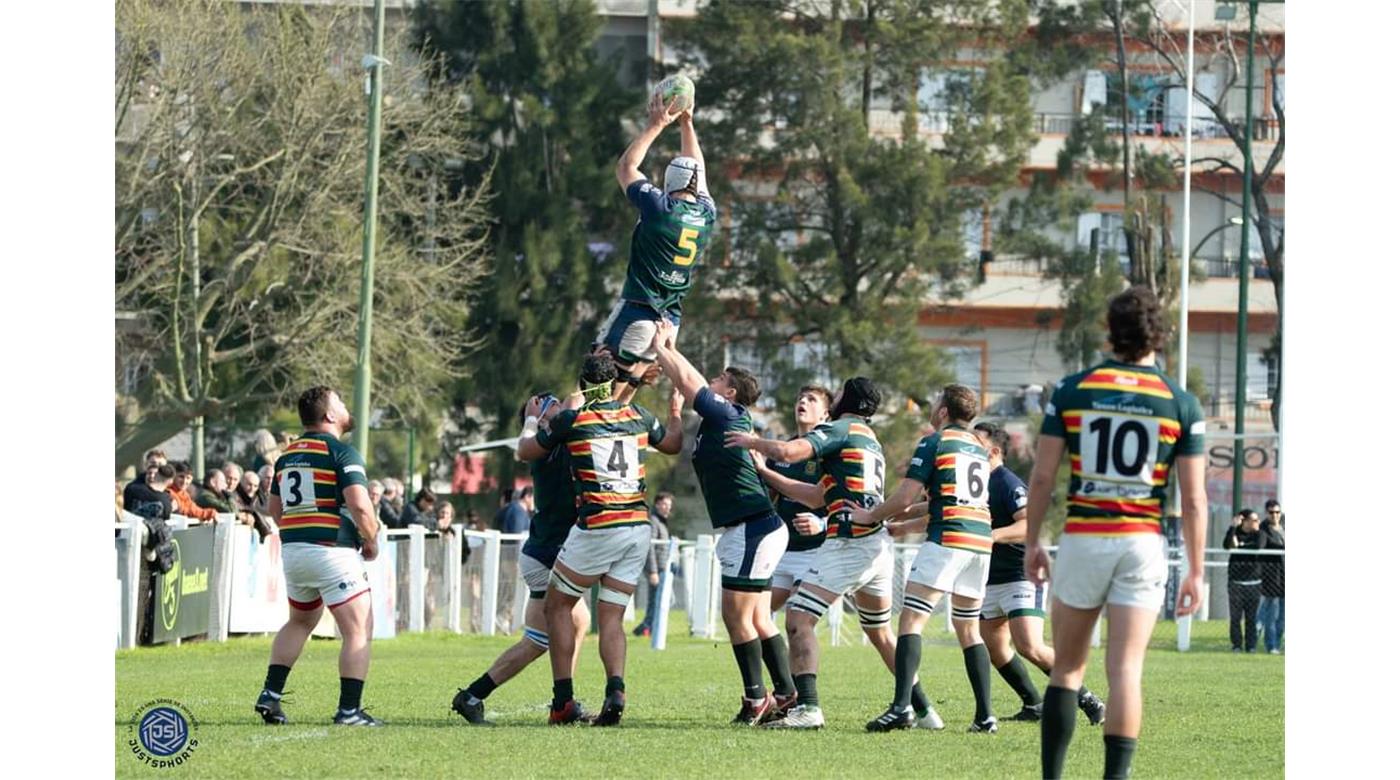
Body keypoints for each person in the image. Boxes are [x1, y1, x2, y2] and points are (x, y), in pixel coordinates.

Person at [1024, 286, 1208, 780]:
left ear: (1109, 330)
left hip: (1085, 536)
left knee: (1066, 668)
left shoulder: (1073, 390)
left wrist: (1033, 540)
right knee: (1126, 670)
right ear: (1160, 334)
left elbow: (1042, 477)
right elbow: (1192, 499)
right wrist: (1195, 570)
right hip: (1142, 542)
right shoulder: (1180, 402)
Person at [727, 377, 939, 731]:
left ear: (846, 399)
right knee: (880, 633)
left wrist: (752, 441)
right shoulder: (867, 439)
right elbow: (815, 497)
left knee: (798, 619)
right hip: (876, 546)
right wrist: (765, 472)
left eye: (836, 394)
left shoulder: (842, 428)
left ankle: (808, 707)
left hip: (850, 543)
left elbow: (790, 452)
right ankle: (924, 711)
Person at [514, 353, 684, 726]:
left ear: (584, 384)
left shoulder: (574, 419)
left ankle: (562, 700)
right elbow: (672, 444)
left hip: (598, 525)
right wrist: (674, 410)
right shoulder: (637, 415)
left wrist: (530, 421)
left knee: (557, 607)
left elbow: (525, 450)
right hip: (637, 526)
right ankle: (616, 690)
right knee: (612, 616)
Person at [652, 320, 794, 725]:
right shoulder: (720, 418)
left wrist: (664, 347)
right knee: (757, 618)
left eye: (719, 378)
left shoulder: (729, 411)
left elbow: (687, 376)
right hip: (751, 527)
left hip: (752, 527)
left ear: (730, 392)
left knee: (735, 615)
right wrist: (674, 406)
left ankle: (757, 699)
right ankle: (784, 693)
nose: (711, 381)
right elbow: (685, 394)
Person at [855, 385, 999, 733]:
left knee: (910, 622)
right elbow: (946, 500)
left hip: (948, 538)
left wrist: (870, 516)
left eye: (936, 403)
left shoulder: (935, 441)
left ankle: (901, 707)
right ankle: (985, 716)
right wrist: (903, 525)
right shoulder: (978, 449)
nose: (932, 408)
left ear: (944, 411)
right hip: (980, 542)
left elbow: (905, 496)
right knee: (969, 629)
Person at [451, 392, 592, 726]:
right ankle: (477, 696)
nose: (561, 406)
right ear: (542, 420)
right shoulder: (548, 445)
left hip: (547, 552)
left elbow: (581, 406)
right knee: (541, 639)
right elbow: (576, 402)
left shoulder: (556, 440)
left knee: (566, 627)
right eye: (551, 405)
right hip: (547, 556)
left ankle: (561, 699)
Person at [255, 386, 382, 727]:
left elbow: (275, 510)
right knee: (359, 630)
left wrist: (300, 533)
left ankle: (270, 694)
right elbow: (359, 504)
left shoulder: (286, 456)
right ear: (329, 415)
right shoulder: (342, 452)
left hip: (295, 551)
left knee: (300, 621)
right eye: (340, 401)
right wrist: (371, 538)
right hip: (332, 552)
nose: (345, 405)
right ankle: (349, 711)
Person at [969, 421, 1104, 725]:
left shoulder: (1006, 482)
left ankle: (1089, 699)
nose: (969, 445)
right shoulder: (973, 480)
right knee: (993, 646)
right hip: (990, 577)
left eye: (975, 441)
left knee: (1029, 646)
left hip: (1019, 575)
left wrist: (992, 534)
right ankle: (1033, 704)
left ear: (993, 450)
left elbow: (1029, 525)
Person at [596, 91, 717, 398]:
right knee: (627, 395)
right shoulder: (707, 212)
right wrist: (687, 124)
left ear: (668, 183)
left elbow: (626, 168)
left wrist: (657, 124)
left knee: (598, 388)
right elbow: (697, 169)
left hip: (638, 310)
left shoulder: (658, 207)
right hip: (669, 321)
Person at [751, 385, 832, 613]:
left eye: (812, 399)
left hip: (815, 552)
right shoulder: (783, 450)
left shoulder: (830, 453)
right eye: (801, 398)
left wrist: (822, 524)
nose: (803, 402)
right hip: (782, 550)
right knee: (757, 618)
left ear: (825, 414)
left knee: (797, 618)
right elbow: (769, 499)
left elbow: (843, 501)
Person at [633, 492, 674, 638]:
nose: (667, 508)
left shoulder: (662, 521)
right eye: (664, 504)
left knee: (660, 600)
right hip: (656, 569)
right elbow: (649, 547)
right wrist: (653, 572)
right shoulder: (654, 521)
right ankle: (646, 628)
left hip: (663, 567)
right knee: (656, 600)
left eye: (669, 505)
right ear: (657, 505)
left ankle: (647, 627)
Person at [1224, 508, 1264, 653]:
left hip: (1254, 583)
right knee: (1235, 618)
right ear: (1244, 521)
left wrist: (1240, 545)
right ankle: (1236, 645)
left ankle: (1251, 645)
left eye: (1257, 520)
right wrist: (1233, 527)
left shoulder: (1259, 534)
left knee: (1251, 618)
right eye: (1253, 520)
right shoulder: (1236, 532)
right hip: (1236, 583)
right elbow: (1227, 545)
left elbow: (1258, 546)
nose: (1256, 523)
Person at [1258, 500, 1284, 654]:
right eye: (1271, 512)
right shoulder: (1263, 530)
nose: (1275, 515)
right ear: (1266, 513)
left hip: (1286, 576)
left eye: (1277, 512)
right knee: (1272, 615)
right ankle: (1271, 645)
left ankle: (1277, 643)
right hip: (1272, 578)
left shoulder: (1286, 526)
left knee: (1283, 617)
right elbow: (1261, 546)